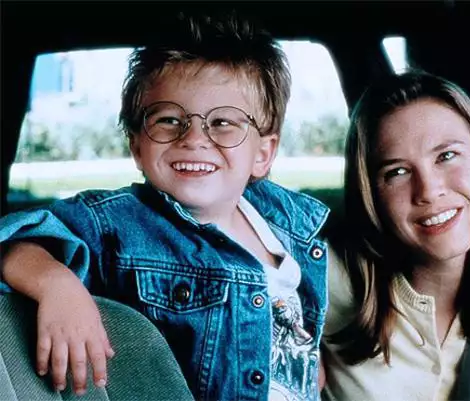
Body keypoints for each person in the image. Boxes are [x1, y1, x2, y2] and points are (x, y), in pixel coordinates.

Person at [0, 11, 330, 401]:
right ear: (137, 145)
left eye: (223, 123)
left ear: (263, 153)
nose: (194, 138)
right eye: (170, 120)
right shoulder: (117, 222)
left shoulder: (289, 227)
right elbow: (16, 239)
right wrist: (57, 285)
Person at [321, 70, 470, 400]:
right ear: (371, 194)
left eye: (446, 156)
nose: (429, 191)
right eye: (397, 172)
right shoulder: (322, 284)